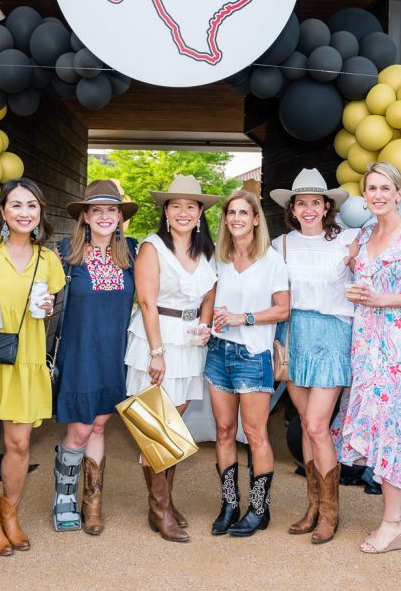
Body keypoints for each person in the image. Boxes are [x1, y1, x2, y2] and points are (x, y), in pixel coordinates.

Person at [335, 161, 401, 554]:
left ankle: (393, 522)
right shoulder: (364, 233)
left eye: (384, 188)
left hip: (394, 342)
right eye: (371, 188)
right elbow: (353, 273)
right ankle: (397, 518)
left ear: (399, 194)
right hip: (363, 338)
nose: (377, 195)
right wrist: (353, 281)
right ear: (364, 195)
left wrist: (383, 299)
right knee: (368, 418)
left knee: (388, 424)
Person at [0, 178, 66, 556]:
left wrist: (47, 309)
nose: (25, 212)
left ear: (41, 212)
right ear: (3, 211)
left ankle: (10, 514)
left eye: (32, 205)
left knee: (19, 444)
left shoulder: (48, 259)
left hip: (25, 358)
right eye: (17, 205)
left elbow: (46, 309)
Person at [125, 174, 218, 543]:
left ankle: (163, 502)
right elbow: (147, 302)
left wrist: (205, 324)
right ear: (165, 212)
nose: (183, 212)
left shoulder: (206, 249)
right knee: (155, 427)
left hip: (190, 342)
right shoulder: (152, 247)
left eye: (190, 206)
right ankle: (159, 509)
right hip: (157, 339)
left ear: (200, 213)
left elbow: (210, 294)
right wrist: (157, 352)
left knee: (172, 426)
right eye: (175, 205)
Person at [268, 168, 355, 545]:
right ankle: (313, 506)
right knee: (305, 422)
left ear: (327, 207)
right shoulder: (280, 246)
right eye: (301, 203)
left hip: (332, 334)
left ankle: (330, 511)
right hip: (294, 335)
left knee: (318, 425)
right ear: (292, 208)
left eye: (315, 203)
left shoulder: (347, 241)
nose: (308, 209)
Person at [51, 180, 139, 534]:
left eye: (111, 210)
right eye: (97, 210)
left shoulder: (131, 253)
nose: (105, 216)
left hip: (114, 355)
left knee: (100, 426)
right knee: (81, 429)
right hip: (80, 355)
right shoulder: (65, 254)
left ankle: (92, 503)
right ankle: (63, 498)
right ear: (85, 217)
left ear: (120, 217)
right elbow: (42, 297)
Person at [206, 190, 289, 537]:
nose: (236, 218)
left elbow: (283, 309)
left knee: (255, 434)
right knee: (224, 431)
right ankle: (230, 504)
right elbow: (208, 300)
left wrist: (245, 317)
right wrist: (204, 324)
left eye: (244, 212)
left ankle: (259, 508)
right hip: (218, 352)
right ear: (225, 219)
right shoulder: (219, 258)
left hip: (253, 355)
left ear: (256, 219)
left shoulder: (271, 261)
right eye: (231, 213)